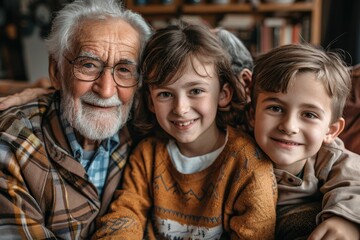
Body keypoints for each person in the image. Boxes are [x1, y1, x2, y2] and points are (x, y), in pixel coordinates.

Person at [93, 21, 277, 239]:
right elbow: (125, 215)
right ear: (151, 101)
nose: (180, 109)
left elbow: (255, 232)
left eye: (196, 90)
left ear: (223, 94)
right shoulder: (148, 154)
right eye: (165, 94)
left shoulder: (249, 163)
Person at [0, 0, 152, 238]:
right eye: (89, 65)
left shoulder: (145, 125)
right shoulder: (11, 145)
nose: (106, 90)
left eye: (124, 69)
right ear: (56, 71)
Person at [247, 44, 360, 240]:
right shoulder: (237, 150)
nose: (289, 126)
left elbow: (355, 184)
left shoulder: (330, 157)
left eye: (309, 114)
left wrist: (345, 220)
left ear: (331, 130)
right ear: (252, 116)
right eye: (275, 108)